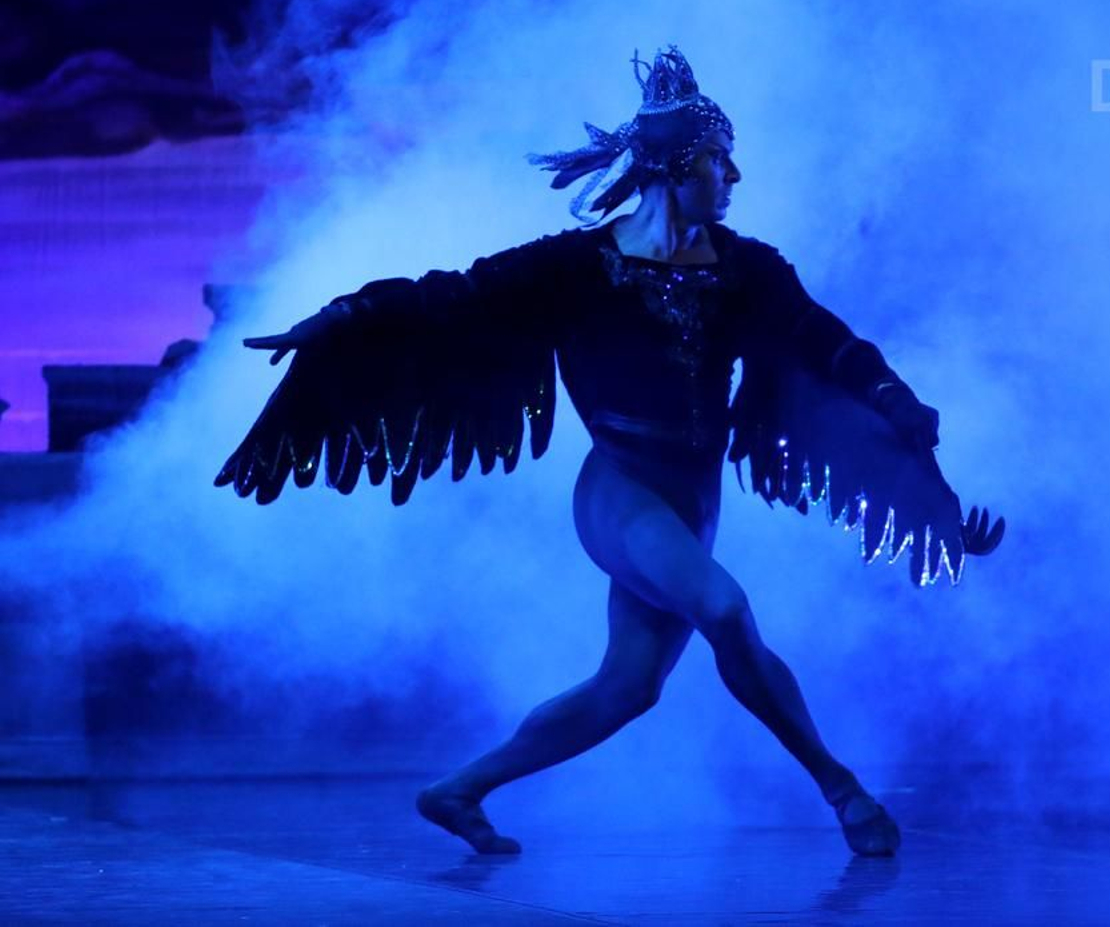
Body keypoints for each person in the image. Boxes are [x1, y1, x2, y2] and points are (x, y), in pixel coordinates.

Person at [218, 46, 1003, 857]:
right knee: (725, 608)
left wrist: (895, 404)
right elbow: (450, 298)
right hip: (620, 491)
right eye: (719, 159)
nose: (734, 175)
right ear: (673, 167)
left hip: (694, 499)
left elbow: (826, 342)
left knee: (628, 687)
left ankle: (459, 789)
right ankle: (842, 789)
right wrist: (344, 317)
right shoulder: (575, 268)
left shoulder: (747, 270)